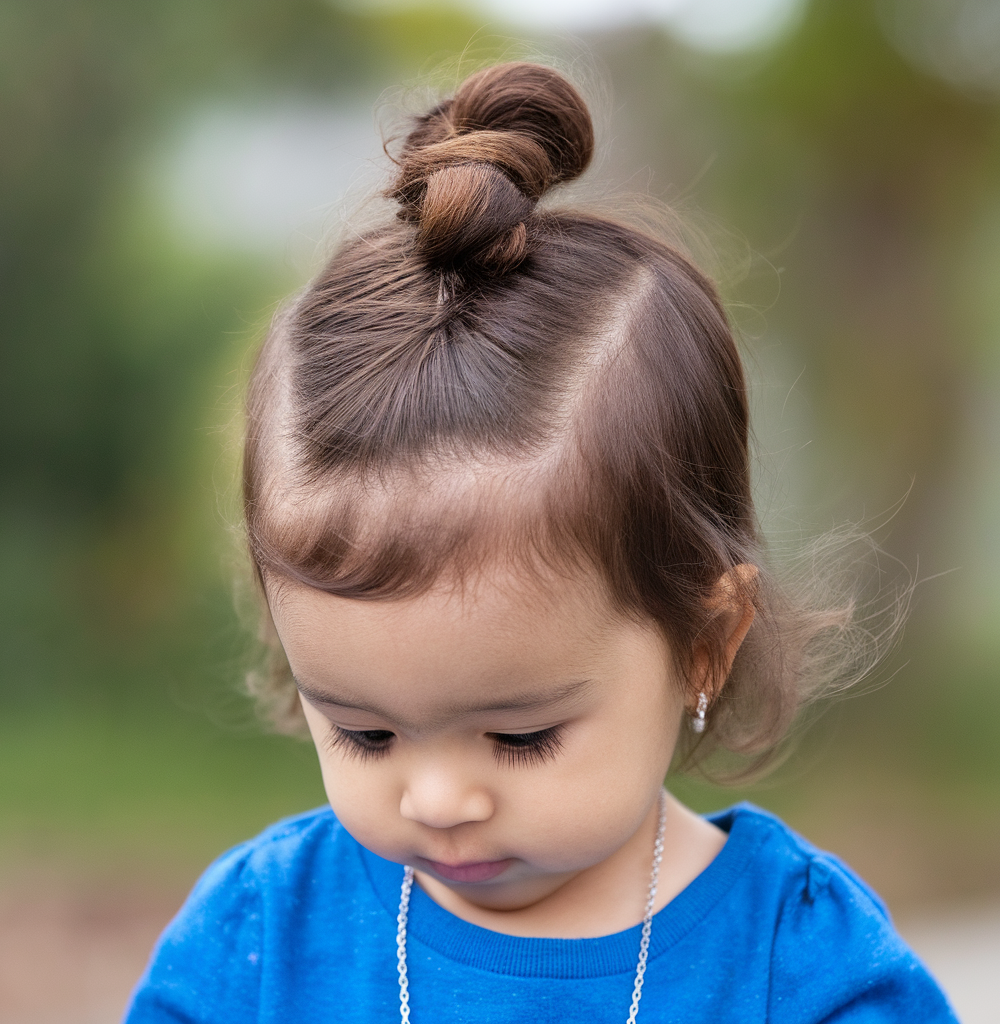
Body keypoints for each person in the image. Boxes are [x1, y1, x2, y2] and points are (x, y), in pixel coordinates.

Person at [124, 62, 956, 1023]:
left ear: (705, 642)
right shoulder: (260, 940)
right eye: (364, 733)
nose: (438, 800)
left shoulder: (801, 966)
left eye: (520, 738)